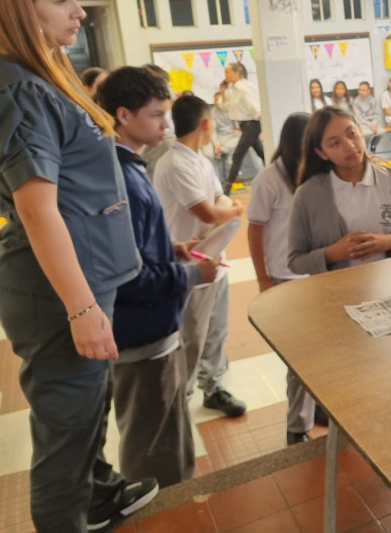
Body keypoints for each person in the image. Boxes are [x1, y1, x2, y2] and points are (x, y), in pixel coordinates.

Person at [0, 0, 157, 532]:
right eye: (62, 0)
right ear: (16, 6)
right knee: (65, 432)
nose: (79, 12)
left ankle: (100, 496)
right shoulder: (20, 91)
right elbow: (37, 210)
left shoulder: (44, 72)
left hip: (81, 279)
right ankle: (70, 514)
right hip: (58, 292)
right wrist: (82, 308)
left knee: (87, 410)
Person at [95, 67, 219, 486]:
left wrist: (172, 250)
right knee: (153, 457)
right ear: (123, 115)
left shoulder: (130, 167)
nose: (167, 124)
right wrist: (188, 274)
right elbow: (126, 278)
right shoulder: (119, 178)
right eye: (156, 115)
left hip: (154, 332)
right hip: (140, 335)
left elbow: (138, 250)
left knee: (170, 442)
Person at [153, 95, 248, 417]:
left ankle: (213, 387)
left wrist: (228, 207)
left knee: (216, 329)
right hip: (186, 264)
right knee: (192, 335)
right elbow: (208, 212)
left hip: (213, 260)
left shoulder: (201, 160)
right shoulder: (175, 163)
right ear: (206, 124)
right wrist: (235, 209)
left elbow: (219, 196)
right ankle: (182, 398)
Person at [246, 112, 323, 444]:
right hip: (285, 278)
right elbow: (254, 230)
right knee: (300, 358)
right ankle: (296, 427)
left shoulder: (316, 175)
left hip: (317, 276)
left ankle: (318, 405)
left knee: (323, 353)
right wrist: (262, 278)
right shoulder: (269, 179)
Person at [287, 106, 391, 276]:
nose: (349, 146)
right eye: (335, 143)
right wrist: (333, 253)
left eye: (352, 134)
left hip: (390, 287)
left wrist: (389, 242)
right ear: (322, 153)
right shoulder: (308, 195)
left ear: (360, 130)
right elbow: (295, 261)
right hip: (334, 294)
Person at [218, 61, 264, 195]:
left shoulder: (246, 88)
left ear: (237, 73)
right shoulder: (231, 90)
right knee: (263, 153)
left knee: (238, 155)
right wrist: (223, 92)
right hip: (244, 126)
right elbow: (225, 107)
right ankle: (281, 171)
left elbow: (256, 107)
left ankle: (227, 187)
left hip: (252, 124)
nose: (225, 75)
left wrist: (263, 127)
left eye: (228, 72)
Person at [352, 81, 383, 152]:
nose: (361, 92)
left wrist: (374, 124)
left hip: (373, 122)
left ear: (369, 91)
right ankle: (365, 149)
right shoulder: (356, 101)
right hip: (363, 123)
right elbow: (358, 117)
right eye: (359, 89)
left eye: (363, 90)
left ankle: (373, 145)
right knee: (368, 134)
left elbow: (378, 113)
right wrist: (370, 125)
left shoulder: (373, 100)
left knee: (381, 132)